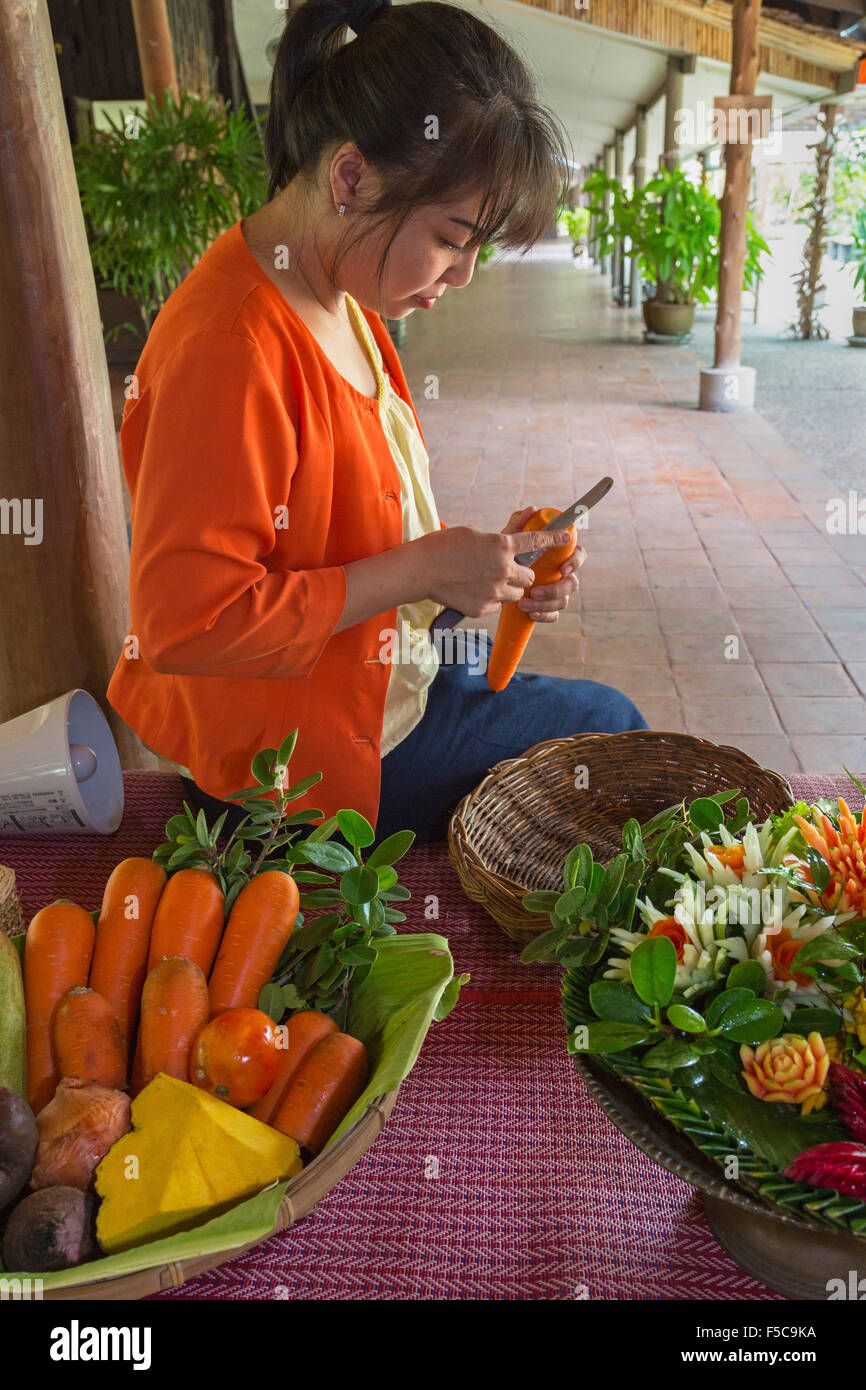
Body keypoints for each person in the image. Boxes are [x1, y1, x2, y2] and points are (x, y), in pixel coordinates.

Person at [107, 0, 646, 847]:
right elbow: (185, 621)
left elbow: (337, 539)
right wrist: (419, 569)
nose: (464, 276)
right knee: (613, 729)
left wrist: (479, 569)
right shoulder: (232, 346)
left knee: (581, 725)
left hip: (375, 683)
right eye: (451, 239)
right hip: (297, 766)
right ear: (351, 178)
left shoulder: (338, 297)